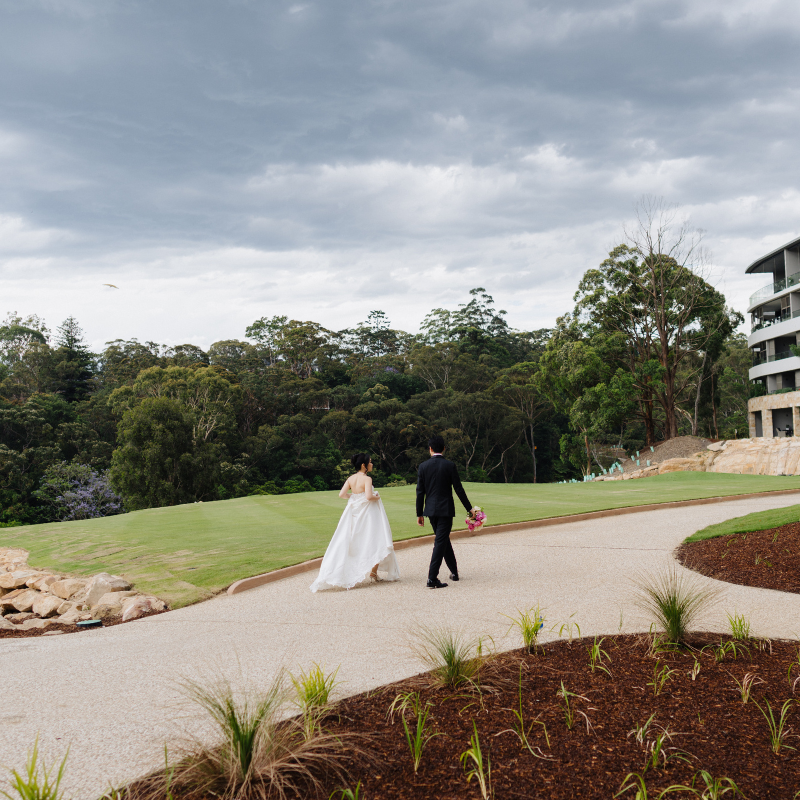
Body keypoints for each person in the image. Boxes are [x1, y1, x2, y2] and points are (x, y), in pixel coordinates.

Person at [310, 453, 400, 592]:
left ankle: (372, 572)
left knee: (356, 541)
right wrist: (377, 496)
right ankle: (373, 571)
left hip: (354, 513)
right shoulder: (367, 479)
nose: (372, 464)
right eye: (370, 462)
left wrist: (355, 496)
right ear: (364, 465)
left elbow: (342, 495)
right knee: (375, 538)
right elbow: (369, 496)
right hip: (367, 514)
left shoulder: (351, 478)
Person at [416, 435, 475, 589]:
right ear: (444, 449)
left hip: (430, 511)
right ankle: (432, 578)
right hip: (446, 510)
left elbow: (420, 492)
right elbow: (459, 489)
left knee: (443, 540)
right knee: (440, 542)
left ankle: (454, 572)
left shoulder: (423, 466)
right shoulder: (450, 465)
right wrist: (469, 508)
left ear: (430, 449)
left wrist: (419, 513)